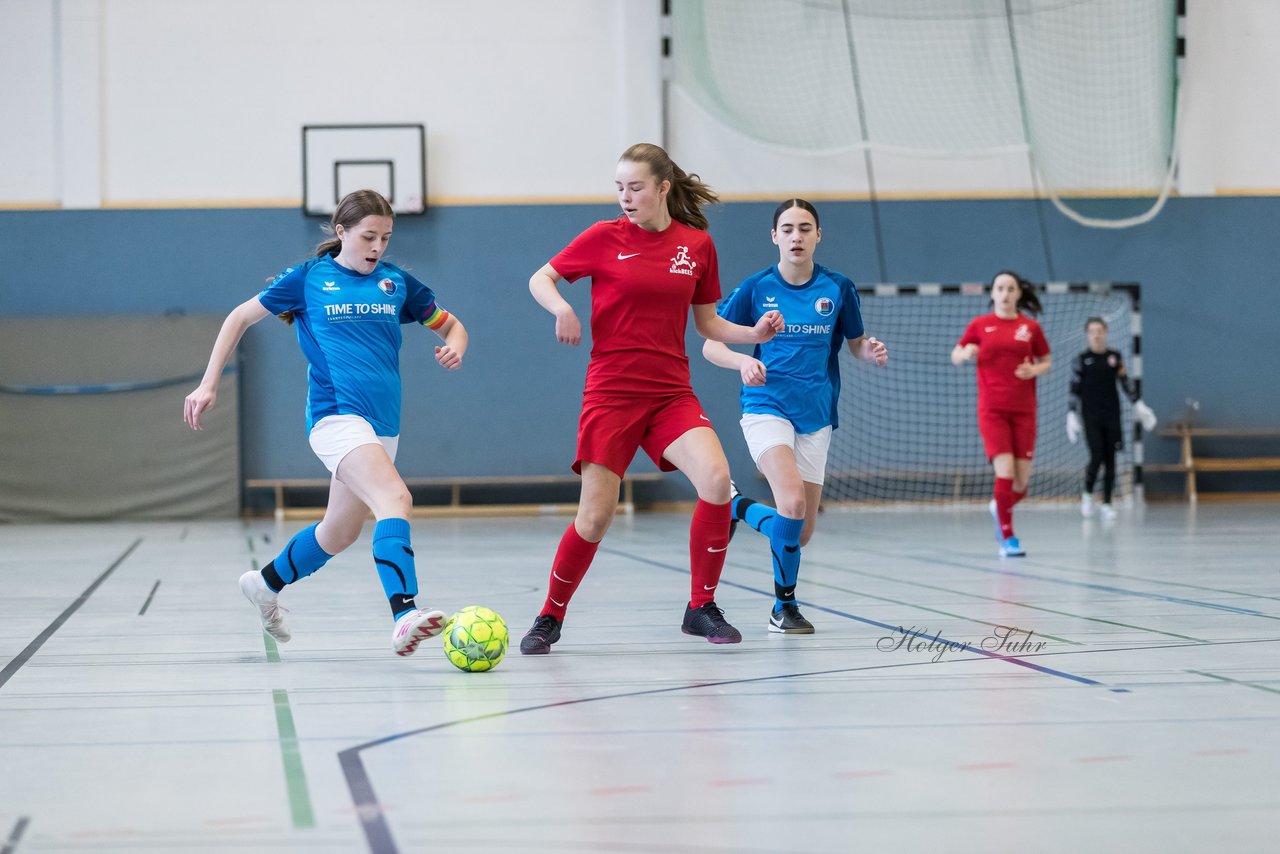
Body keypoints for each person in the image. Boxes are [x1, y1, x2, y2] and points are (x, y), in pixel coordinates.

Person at [519, 142, 784, 654]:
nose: (625, 196)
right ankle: (549, 616)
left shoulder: (697, 246)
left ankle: (700, 606)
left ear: (663, 188)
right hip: (612, 392)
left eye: (635, 187)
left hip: (669, 391)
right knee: (595, 516)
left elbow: (706, 322)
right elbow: (541, 277)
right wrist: (561, 309)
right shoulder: (602, 237)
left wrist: (753, 333)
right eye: (619, 187)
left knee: (715, 479)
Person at [183, 189, 468, 657]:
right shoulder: (308, 279)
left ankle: (265, 583)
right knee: (395, 497)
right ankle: (404, 613)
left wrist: (456, 345)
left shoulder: (397, 284)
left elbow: (452, 324)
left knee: (339, 532)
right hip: (336, 417)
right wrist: (208, 383)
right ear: (341, 233)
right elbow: (239, 317)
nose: (377, 247)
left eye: (386, 238)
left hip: (383, 425)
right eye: (368, 237)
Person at [703, 199, 888, 634]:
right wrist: (742, 363)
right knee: (791, 504)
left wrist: (869, 350)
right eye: (787, 228)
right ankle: (782, 607)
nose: (796, 236)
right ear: (774, 236)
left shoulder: (838, 288)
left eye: (805, 228)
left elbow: (855, 343)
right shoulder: (755, 287)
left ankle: (734, 506)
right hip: (766, 407)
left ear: (818, 235)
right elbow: (712, 343)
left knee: (799, 533)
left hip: (817, 415)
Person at [951, 271, 1050, 557]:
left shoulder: (1030, 328)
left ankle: (999, 506)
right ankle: (1008, 537)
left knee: (1020, 485)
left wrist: (1035, 370)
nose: (1005, 293)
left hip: (1024, 411)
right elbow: (955, 354)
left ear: (1018, 293)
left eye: (1011, 288)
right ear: (992, 293)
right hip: (993, 410)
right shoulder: (980, 325)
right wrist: (965, 354)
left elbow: (1046, 360)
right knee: (1004, 474)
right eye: (1000, 288)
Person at [1067, 316, 1157, 521]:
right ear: (1087, 335)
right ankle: (1088, 494)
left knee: (1111, 460)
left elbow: (1125, 383)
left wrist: (1138, 404)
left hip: (1112, 415)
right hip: (1091, 416)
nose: (1096, 335)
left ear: (1105, 332)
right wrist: (1071, 412)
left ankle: (1107, 502)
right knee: (1096, 455)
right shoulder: (1081, 360)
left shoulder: (1114, 358)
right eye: (1092, 331)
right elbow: (1074, 388)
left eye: (1100, 330)